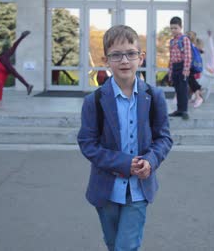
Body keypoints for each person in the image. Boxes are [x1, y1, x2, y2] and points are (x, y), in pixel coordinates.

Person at [77, 25, 173, 251]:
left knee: (126, 247)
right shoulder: (95, 100)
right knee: (114, 245)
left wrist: (150, 160)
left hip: (139, 189)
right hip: (106, 190)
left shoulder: (154, 96)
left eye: (131, 53)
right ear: (105, 59)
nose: (124, 61)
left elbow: (164, 138)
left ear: (141, 58)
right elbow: (87, 144)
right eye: (116, 55)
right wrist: (122, 163)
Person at [0, 31, 34, 101]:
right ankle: (22, 36)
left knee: (17, 75)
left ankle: (28, 86)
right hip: (1, 59)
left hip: (4, 66)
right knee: (13, 49)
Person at [167, 16, 191, 120]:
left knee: (183, 89)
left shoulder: (184, 39)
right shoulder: (172, 41)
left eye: (175, 28)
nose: (173, 30)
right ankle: (179, 109)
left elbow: (187, 55)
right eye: (171, 28)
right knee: (177, 89)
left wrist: (186, 69)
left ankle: (184, 110)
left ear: (180, 27)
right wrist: (170, 71)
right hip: (175, 67)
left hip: (182, 66)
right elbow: (171, 57)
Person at [185, 31, 204, 108]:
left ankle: (198, 97)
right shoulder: (193, 45)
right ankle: (198, 95)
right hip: (194, 66)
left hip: (191, 66)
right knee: (190, 80)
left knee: (190, 80)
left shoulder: (189, 45)